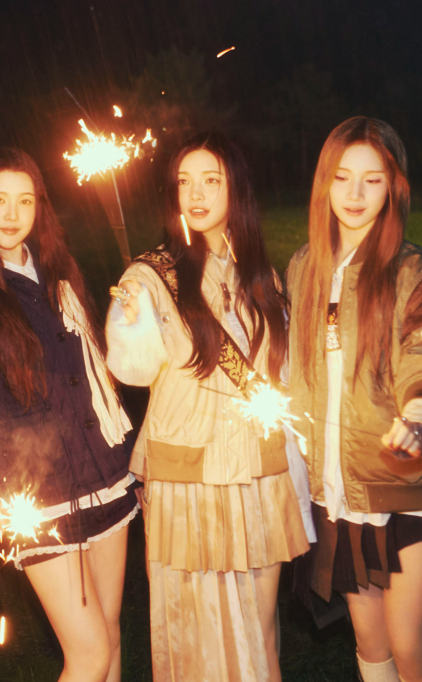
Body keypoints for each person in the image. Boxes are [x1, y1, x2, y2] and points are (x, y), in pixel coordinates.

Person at [106, 132, 311, 682]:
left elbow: (282, 373)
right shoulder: (153, 274)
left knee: (258, 633)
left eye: (211, 181)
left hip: (259, 471)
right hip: (189, 474)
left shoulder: (260, 274)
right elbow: (133, 368)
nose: (195, 194)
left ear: (235, 189)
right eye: (184, 182)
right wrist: (129, 324)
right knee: (198, 631)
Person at [285, 117, 422, 682]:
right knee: (371, 647)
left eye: (372, 180)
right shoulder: (303, 268)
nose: (354, 193)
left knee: (410, 649)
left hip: (409, 485)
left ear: (394, 187)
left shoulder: (420, 275)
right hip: (342, 492)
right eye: (342, 177)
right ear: (324, 183)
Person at [0, 148, 136, 682]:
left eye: (24, 201)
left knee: (110, 636)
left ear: (39, 207)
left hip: (103, 474)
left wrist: (133, 324)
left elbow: (97, 373)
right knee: (89, 655)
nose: (11, 213)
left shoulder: (60, 274)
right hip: (38, 496)